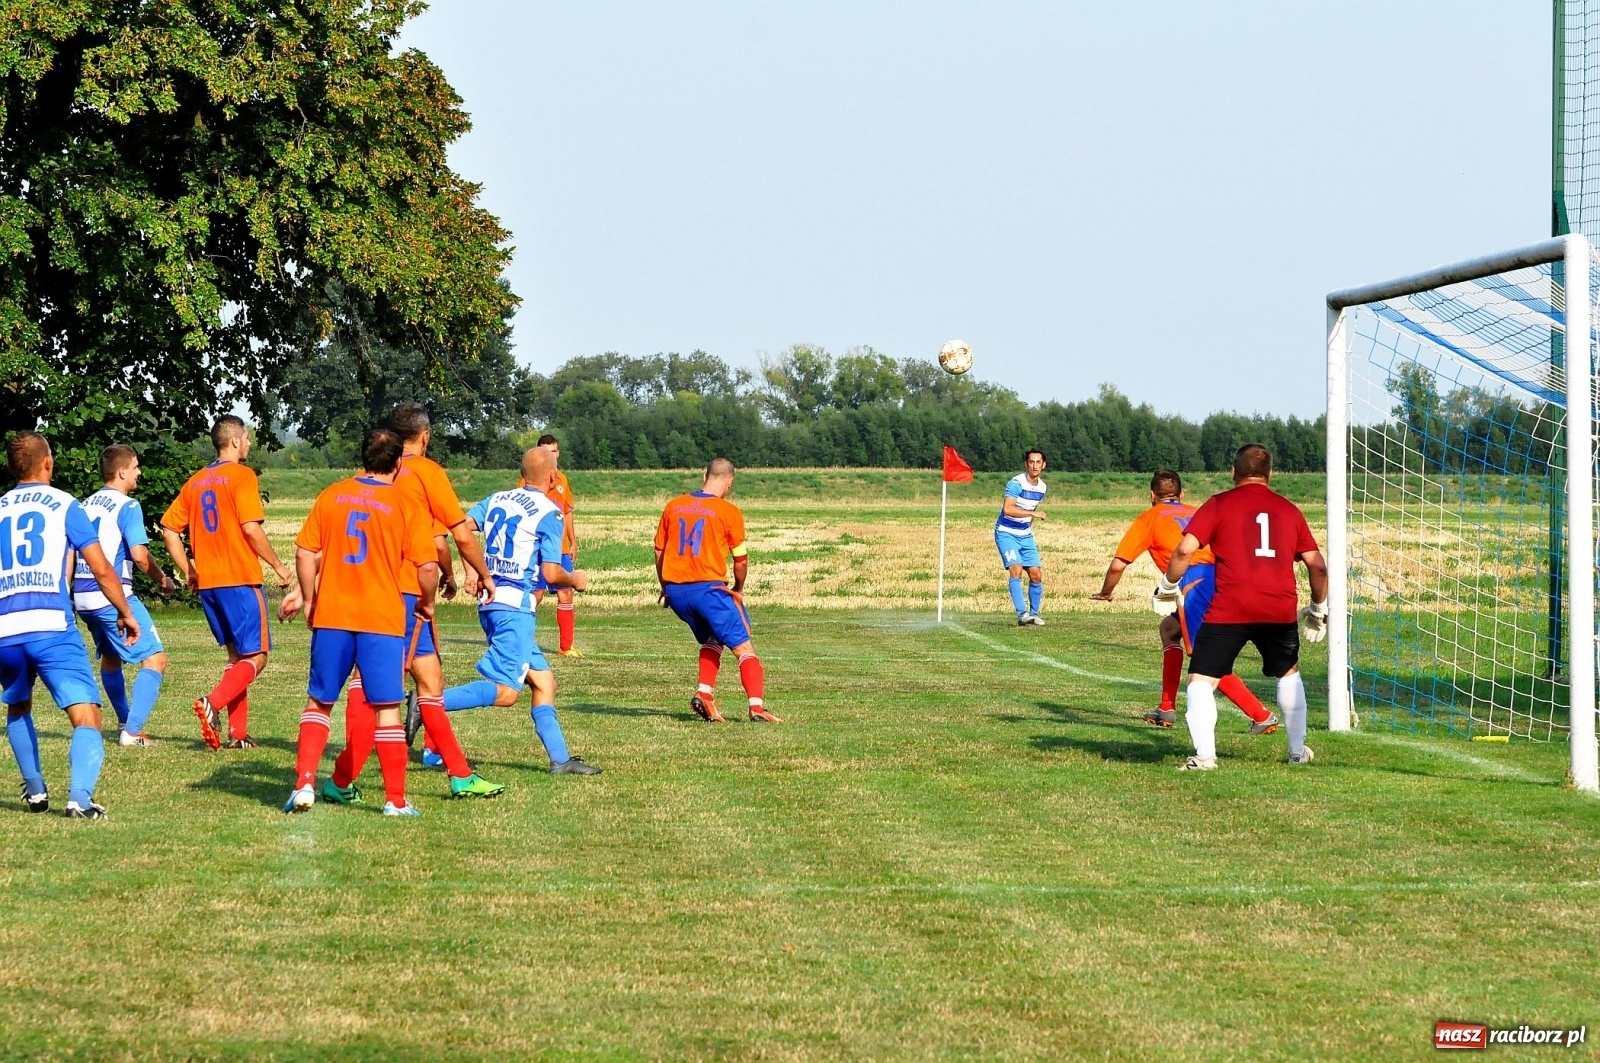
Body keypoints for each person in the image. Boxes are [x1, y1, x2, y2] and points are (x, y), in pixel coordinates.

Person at [324, 401, 501, 801]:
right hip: (404, 593)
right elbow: (457, 534)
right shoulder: (425, 472)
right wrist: (480, 575)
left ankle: (458, 773)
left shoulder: (364, 477)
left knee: (418, 679)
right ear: (425, 436)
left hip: (361, 588)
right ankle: (342, 778)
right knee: (400, 685)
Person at [280, 429, 439, 815]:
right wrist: (428, 603)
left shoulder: (332, 495)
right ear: (398, 463)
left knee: (319, 702)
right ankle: (395, 801)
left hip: (333, 613)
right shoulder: (404, 503)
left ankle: (304, 785)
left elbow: (304, 552)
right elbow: (429, 565)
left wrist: (310, 598)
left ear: (363, 457)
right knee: (387, 709)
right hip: (381, 619)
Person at [1157, 444, 1329, 771]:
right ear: (1270, 474)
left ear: (1233, 472)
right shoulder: (1289, 510)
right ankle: (1297, 752)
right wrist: (1319, 608)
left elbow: (1183, 551)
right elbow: (1317, 566)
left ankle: (1205, 756)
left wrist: (1167, 586)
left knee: (1200, 681)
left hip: (1230, 608)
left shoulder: (1219, 504)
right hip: (1278, 608)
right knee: (1288, 673)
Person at [0, 431, 141, 817]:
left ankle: (34, 790)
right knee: (87, 716)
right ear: (47, 463)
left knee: (18, 706)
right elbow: (100, 567)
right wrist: (125, 613)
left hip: (6, 629)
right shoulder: (64, 504)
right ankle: (79, 798)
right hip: (50, 623)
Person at [440, 447, 601, 775]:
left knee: (544, 682)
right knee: (507, 693)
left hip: (493, 604)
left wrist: (473, 570)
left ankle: (560, 759)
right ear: (553, 477)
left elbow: (462, 528)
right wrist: (577, 579)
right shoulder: (549, 513)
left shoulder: (498, 498)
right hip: (515, 609)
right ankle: (428, 704)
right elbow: (553, 574)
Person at [1092, 469, 1278, 734]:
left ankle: (1261, 715)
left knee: (1207, 660)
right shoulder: (1198, 510)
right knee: (1169, 629)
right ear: (1181, 495)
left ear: (1151, 496)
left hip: (1197, 585)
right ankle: (1166, 707)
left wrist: (1105, 592)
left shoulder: (1149, 518)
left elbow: (1117, 565)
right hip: (1228, 577)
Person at [161, 415, 299, 750]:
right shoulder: (241, 475)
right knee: (258, 656)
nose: (249, 444)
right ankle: (213, 703)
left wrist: (189, 570)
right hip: (238, 579)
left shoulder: (195, 482)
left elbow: (168, 529)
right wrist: (279, 566)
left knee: (238, 657)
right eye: (247, 438)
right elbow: (251, 529)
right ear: (235, 441)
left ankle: (238, 735)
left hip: (209, 583)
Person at [655, 457, 778, 723]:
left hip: (677, 592)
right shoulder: (728, 511)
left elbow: (659, 550)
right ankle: (756, 707)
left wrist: (665, 586)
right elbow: (741, 559)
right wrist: (738, 588)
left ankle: (705, 695)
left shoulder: (673, 506)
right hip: (708, 590)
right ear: (730, 481)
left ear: (704, 475)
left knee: (714, 638)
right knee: (744, 648)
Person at [74, 445, 177, 746]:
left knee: (110, 657)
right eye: (135, 467)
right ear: (122, 471)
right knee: (155, 659)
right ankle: (132, 732)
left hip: (82, 596)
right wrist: (162, 578)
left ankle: (123, 719)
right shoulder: (127, 506)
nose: (139, 472)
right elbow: (140, 557)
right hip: (111, 595)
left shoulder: (84, 504)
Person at [533, 434, 582, 657]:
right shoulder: (529, 480)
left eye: (553, 451)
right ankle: (522, 641)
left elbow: (567, 511)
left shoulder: (562, 479)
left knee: (565, 593)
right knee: (536, 595)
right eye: (545, 452)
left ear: (558, 453)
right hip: (538, 548)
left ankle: (566, 647)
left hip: (560, 548)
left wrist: (573, 542)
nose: (549, 456)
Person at [995, 449, 1048, 626]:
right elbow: (1008, 509)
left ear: (1043, 465)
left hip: (1025, 535)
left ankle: (1034, 614)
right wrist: (1033, 514)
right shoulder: (1016, 483)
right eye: (1031, 462)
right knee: (1016, 569)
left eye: (1038, 462)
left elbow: (1030, 512)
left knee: (1036, 574)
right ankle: (1021, 614)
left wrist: (1029, 524)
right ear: (1026, 464)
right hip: (1006, 533)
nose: (1034, 466)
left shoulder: (1042, 487)